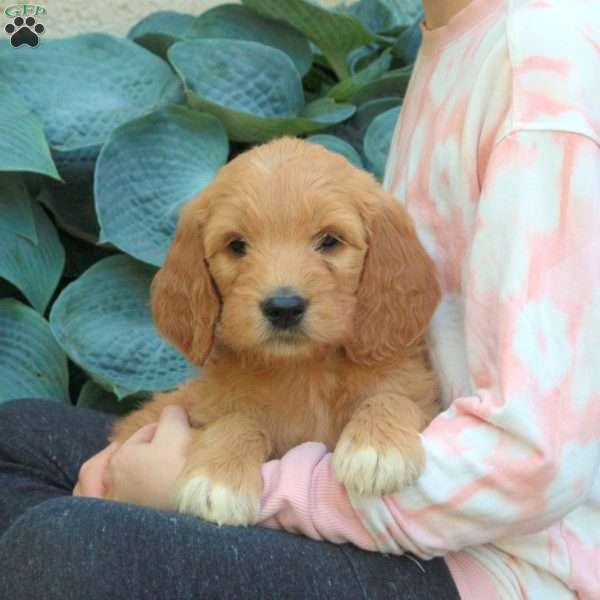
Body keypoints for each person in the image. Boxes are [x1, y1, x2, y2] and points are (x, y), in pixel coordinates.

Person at [1, 0, 598, 597]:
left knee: (69, 545)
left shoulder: (539, 71)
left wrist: (261, 492)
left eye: (329, 242)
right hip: (371, 458)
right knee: (14, 443)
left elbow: (534, 462)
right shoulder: (454, 35)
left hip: (498, 559)